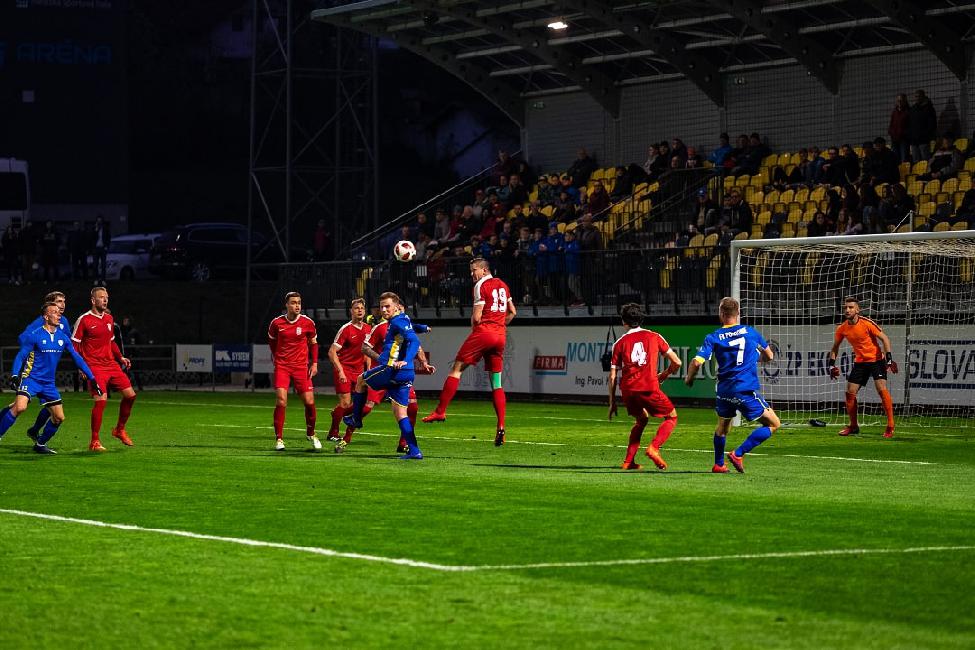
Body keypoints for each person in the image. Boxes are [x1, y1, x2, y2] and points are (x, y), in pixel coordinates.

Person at [423, 257, 516, 445]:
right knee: (497, 383)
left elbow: (477, 317)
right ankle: (501, 426)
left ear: (484, 270)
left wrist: (478, 332)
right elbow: (513, 312)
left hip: (484, 333)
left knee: (456, 370)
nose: (472, 274)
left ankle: (440, 411)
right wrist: (499, 325)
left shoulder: (481, 285)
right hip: (500, 336)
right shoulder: (503, 285)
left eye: (474, 270)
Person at [684, 297, 780, 473]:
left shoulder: (713, 337)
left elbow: (696, 362)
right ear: (738, 313)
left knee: (723, 427)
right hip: (743, 389)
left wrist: (689, 378)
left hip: (724, 391)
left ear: (721, 314)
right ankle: (738, 453)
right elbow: (770, 356)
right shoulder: (750, 332)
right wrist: (754, 357)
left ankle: (719, 464)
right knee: (774, 424)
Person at [1, 302, 102, 454]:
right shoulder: (35, 335)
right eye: (54, 312)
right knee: (20, 407)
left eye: (59, 312)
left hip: (48, 384)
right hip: (32, 379)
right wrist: (15, 375)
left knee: (59, 417)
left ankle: (40, 444)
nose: (58, 314)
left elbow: (77, 358)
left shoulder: (63, 337)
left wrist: (92, 378)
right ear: (46, 317)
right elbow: (21, 356)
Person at [336, 306, 436, 454]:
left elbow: (417, 346)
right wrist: (383, 361)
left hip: (399, 373)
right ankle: (346, 437)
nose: (399, 311)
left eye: (401, 309)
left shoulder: (405, 325)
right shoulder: (380, 328)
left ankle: (404, 444)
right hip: (382, 372)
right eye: (397, 309)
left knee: (412, 408)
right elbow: (366, 348)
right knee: (366, 408)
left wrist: (424, 363)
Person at [607, 303, 682, 471]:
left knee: (641, 419)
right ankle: (654, 447)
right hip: (648, 387)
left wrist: (612, 403)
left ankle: (628, 461)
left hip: (628, 391)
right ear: (641, 319)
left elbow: (612, 376)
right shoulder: (654, 337)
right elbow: (677, 362)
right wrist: (664, 374)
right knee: (672, 417)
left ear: (624, 322)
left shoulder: (619, 343)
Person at [72, 287, 138, 452]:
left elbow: (111, 341)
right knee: (101, 400)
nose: (105, 300)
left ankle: (119, 430)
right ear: (93, 300)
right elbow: (75, 346)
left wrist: (121, 357)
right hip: (94, 366)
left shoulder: (109, 318)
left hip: (111, 364)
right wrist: (81, 367)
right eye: (101, 297)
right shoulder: (84, 320)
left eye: (107, 297)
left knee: (130, 395)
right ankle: (94, 441)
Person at [827, 297, 897, 438]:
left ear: (857, 310)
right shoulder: (842, 328)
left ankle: (890, 426)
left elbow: (885, 339)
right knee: (850, 393)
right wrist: (831, 365)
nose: (847, 310)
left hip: (877, 360)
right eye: (845, 307)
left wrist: (889, 359)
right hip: (860, 362)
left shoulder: (866, 323)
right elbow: (835, 347)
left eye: (851, 307)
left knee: (881, 390)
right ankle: (853, 426)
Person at [267, 292, 320, 451]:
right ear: (287, 305)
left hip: (301, 367)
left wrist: (314, 363)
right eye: (293, 302)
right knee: (281, 400)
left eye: (299, 303)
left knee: (309, 402)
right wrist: (277, 357)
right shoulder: (276, 323)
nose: (297, 305)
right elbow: (272, 342)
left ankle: (311, 433)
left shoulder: (307, 323)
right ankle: (279, 439)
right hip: (283, 366)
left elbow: (313, 344)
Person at [326, 299, 371, 441]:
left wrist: (369, 370)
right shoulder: (346, 329)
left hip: (359, 372)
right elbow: (332, 352)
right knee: (345, 403)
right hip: (344, 368)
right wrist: (340, 371)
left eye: (362, 308)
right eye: (356, 308)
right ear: (351, 311)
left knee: (357, 404)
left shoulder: (368, 329)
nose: (360, 310)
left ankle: (337, 413)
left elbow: (368, 352)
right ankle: (333, 433)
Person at [91, 215, 111, 284]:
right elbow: (91, 237)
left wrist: (107, 246)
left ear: (102, 221)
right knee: (95, 265)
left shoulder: (105, 228)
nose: (99, 222)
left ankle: (103, 280)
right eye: (98, 221)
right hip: (96, 249)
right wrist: (96, 230)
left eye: (100, 221)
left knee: (103, 265)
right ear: (96, 221)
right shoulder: (94, 228)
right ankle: (96, 279)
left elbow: (108, 238)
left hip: (103, 249)